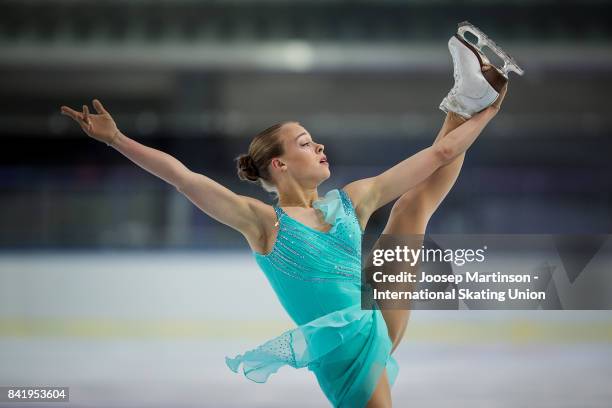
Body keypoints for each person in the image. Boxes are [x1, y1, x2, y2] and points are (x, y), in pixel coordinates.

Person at [60, 40, 509, 407]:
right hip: (343, 352)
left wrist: (478, 112)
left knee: (413, 208)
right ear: (279, 164)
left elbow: (440, 155)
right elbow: (182, 178)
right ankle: (470, 100)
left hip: (376, 315)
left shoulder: (351, 200)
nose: (319, 147)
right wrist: (117, 139)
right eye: (305, 143)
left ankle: (463, 96)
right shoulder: (263, 223)